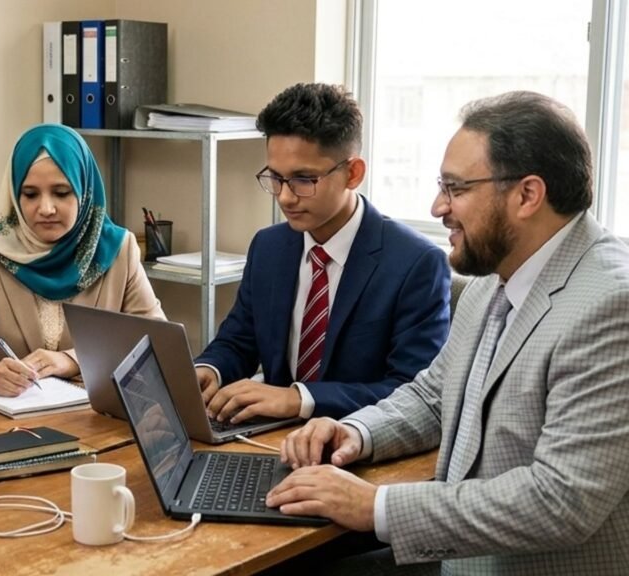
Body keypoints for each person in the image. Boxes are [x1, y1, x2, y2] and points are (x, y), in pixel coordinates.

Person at [269, 91, 629, 576]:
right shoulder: (493, 282)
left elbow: (560, 501)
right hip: (461, 555)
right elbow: (434, 396)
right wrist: (354, 430)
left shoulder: (611, 304)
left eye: (456, 189)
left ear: (528, 195)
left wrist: (376, 506)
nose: (439, 206)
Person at [195, 83, 450, 424]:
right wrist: (210, 370)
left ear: (353, 173)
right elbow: (238, 341)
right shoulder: (268, 248)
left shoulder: (416, 263)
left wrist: (300, 399)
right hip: (267, 439)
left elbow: (413, 392)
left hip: (354, 448)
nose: (285, 197)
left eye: (304, 179)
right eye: (275, 178)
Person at [0, 123, 164, 397]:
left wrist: (72, 360)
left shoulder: (117, 250)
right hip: (8, 421)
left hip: (94, 419)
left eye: (61, 192)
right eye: (30, 194)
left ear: (84, 190)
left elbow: (156, 343)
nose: (46, 208)